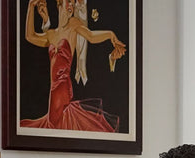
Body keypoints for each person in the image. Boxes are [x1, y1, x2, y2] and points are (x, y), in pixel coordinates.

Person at [20, 0, 127, 132]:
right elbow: (30, 36)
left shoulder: (73, 25)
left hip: (63, 89)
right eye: (68, 1)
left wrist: (111, 35)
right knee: (54, 127)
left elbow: (91, 36)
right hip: (53, 93)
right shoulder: (51, 34)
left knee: (56, 126)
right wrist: (30, 6)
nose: (71, 6)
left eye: (72, 3)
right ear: (59, 3)